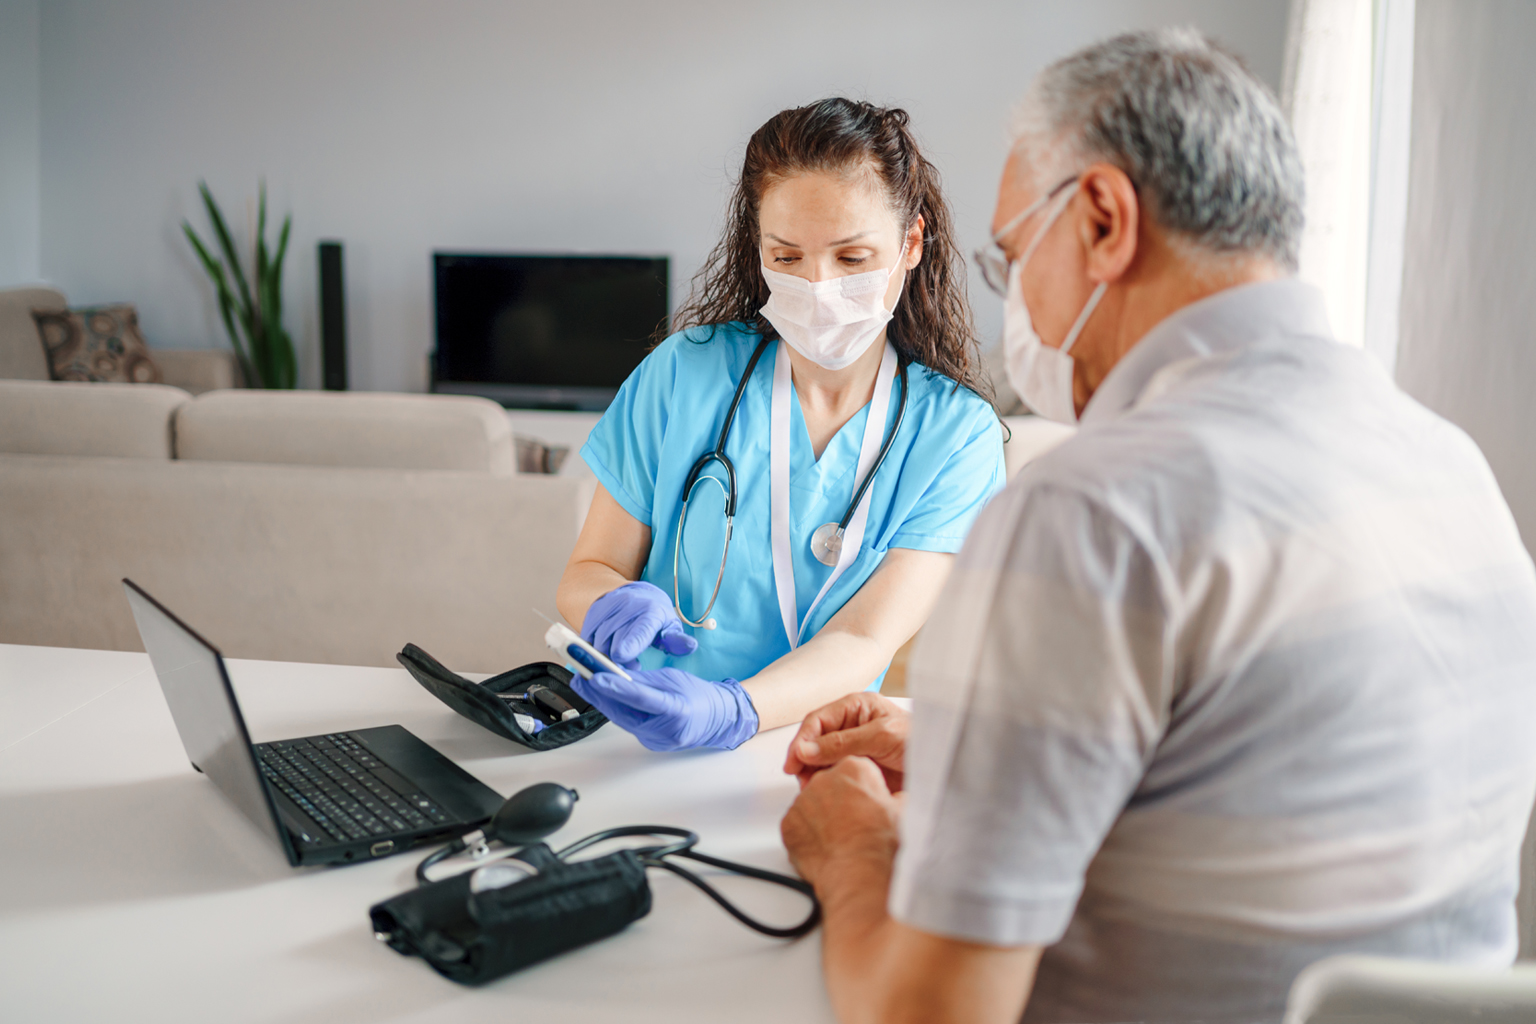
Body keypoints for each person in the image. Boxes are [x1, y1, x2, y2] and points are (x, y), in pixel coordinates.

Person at [779, 28, 1536, 1024]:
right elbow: (1278, 770)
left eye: (1012, 264)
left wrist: (852, 845)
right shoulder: (1449, 465)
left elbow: (931, 1013)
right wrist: (977, 742)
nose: (1023, 322)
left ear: (1101, 219)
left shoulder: (1089, 510)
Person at [557, 98, 1006, 752]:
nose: (818, 287)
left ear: (910, 243)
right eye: (788, 257)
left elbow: (863, 637)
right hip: (630, 730)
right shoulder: (686, 373)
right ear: (758, 250)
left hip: (808, 746)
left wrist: (734, 710)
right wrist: (607, 607)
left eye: (852, 259)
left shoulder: (957, 436)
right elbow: (590, 566)